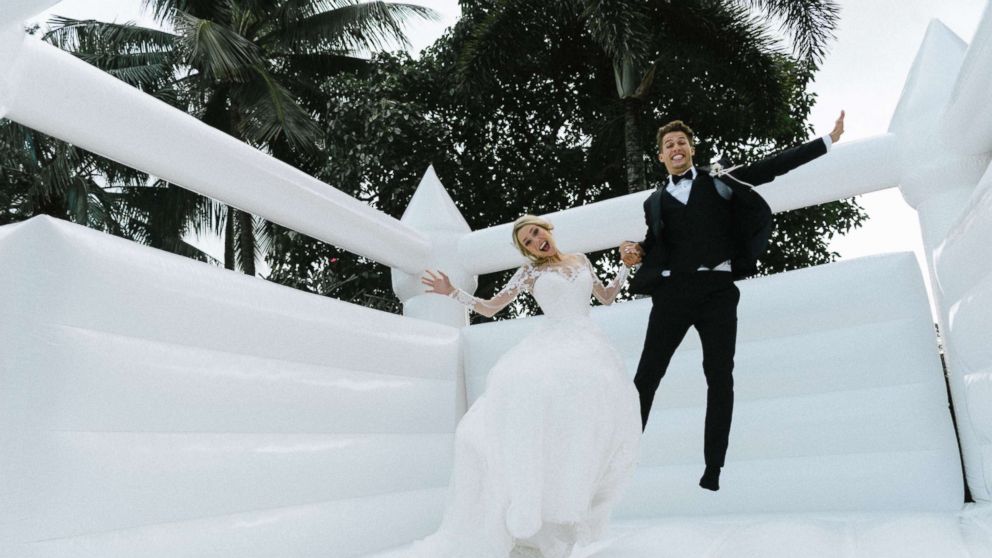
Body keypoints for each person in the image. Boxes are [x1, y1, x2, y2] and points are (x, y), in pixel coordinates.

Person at [620, 112, 846, 491]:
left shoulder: (720, 182)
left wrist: (828, 140)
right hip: (672, 294)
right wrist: (636, 249)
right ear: (660, 156)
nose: (676, 149)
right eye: (668, 145)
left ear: (692, 149)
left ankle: (713, 468)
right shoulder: (653, 201)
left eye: (681, 143)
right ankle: (621, 456)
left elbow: (770, 167)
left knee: (720, 377)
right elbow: (656, 241)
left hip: (717, 291)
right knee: (645, 377)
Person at [408, 215, 642, 558]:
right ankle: (530, 520)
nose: (535, 243)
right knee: (529, 402)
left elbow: (605, 298)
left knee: (586, 427)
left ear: (546, 228)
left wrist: (623, 268)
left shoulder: (580, 260)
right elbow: (491, 308)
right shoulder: (530, 273)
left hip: (589, 350)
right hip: (552, 345)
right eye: (527, 243)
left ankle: (569, 515)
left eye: (535, 233)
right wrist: (453, 293)